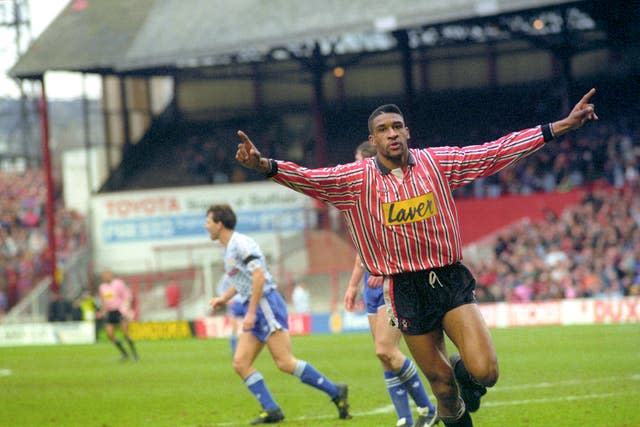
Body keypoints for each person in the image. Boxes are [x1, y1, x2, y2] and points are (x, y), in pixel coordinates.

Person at [234, 89, 598, 427]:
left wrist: (559, 126)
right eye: (382, 129)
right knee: (442, 388)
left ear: (407, 132)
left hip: (449, 279)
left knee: (486, 372)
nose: (391, 133)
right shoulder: (353, 181)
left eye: (397, 126)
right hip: (405, 289)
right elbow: (308, 177)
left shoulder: (436, 163)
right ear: (373, 140)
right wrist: (265, 165)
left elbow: (493, 152)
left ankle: (465, 373)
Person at [206, 204, 351, 425]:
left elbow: (259, 276)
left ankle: (335, 391)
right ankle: (272, 409)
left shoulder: (241, 244)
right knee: (240, 362)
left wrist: (252, 313)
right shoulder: (229, 250)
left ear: (219, 223)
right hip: (255, 305)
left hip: (266, 304)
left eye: (208, 221)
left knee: (284, 362)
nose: (206, 226)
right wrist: (223, 299)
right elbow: (242, 280)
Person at [344, 141, 437, 427]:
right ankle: (404, 419)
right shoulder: (365, 200)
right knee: (384, 357)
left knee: (385, 349)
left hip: (392, 282)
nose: (356, 166)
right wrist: (352, 286)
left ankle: (427, 408)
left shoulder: (389, 196)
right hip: (370, 288)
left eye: (359, 161)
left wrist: (385, 271)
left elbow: (403, 239)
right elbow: (363, 251)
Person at [97, 270, 139, 362]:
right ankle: (124, 354)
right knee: (110, 335)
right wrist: (102, 312)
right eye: (104, 275)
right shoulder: (102, 287)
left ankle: (135, 354)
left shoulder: (118, 283)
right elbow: (104, 301)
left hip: (119, 311)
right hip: (110, 312)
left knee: (125, 333)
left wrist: (126, 308)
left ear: (110, 275)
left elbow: (127, 296)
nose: (105, 276)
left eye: (107, 274)